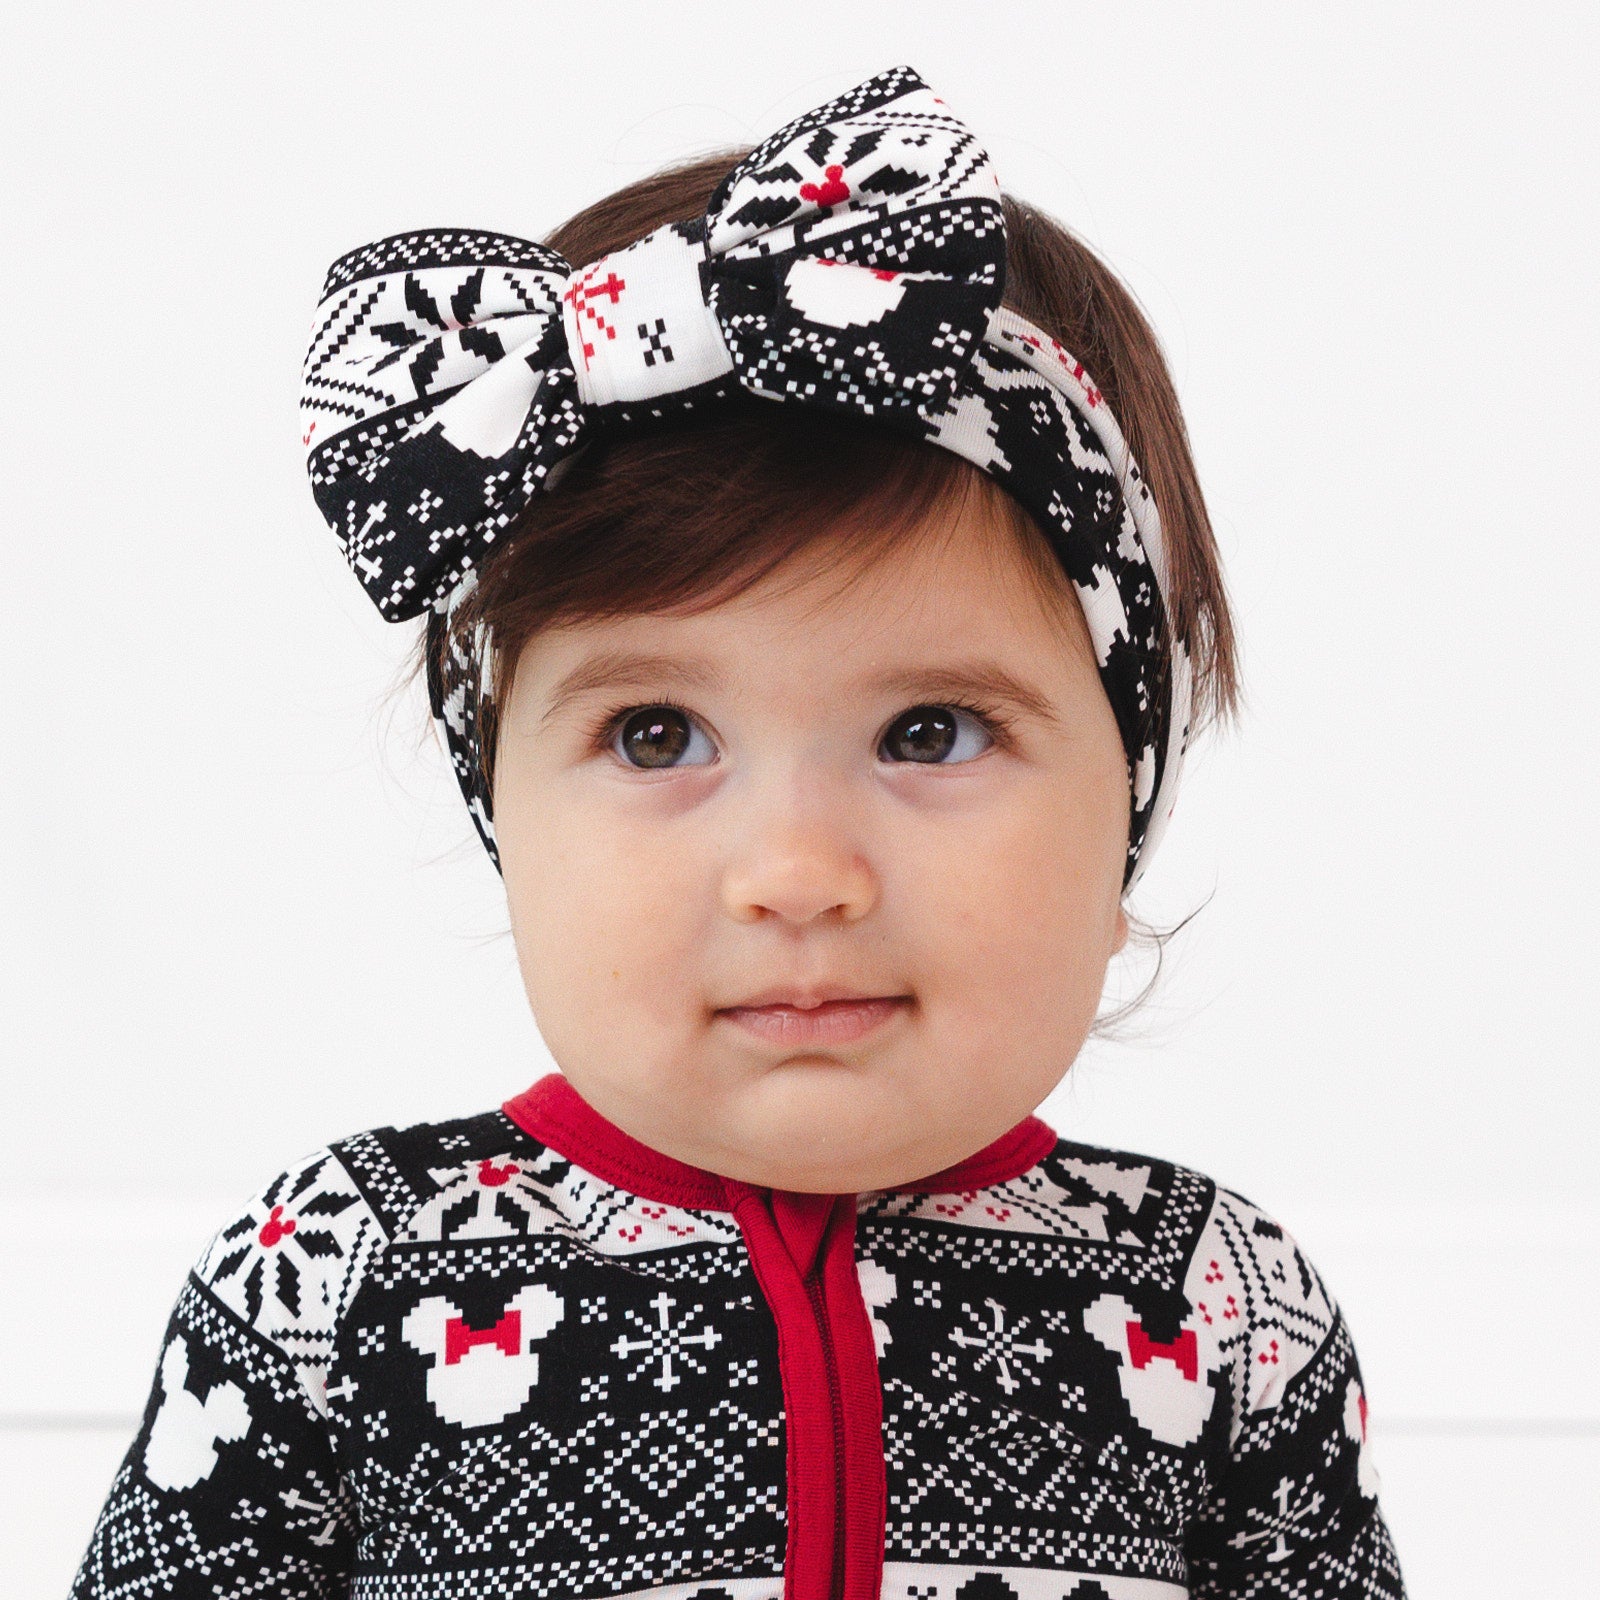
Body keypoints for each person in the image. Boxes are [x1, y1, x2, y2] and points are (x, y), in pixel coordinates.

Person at [70, 65, 1406, 1600]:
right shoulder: (328, 1285)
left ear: (1131, 801)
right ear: (499, 797)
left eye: (931, 733)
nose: (798, 875)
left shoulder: (1224, 1310)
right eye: (656, 737)